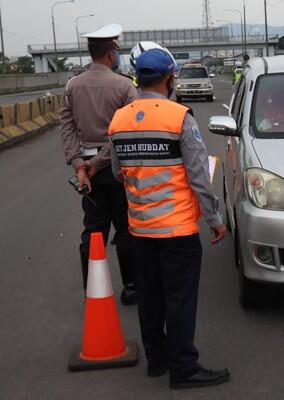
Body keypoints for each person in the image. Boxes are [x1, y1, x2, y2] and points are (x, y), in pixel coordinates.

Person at [108, 48, 230, 389]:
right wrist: (215, 219)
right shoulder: (179, 118)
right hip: (177, 230)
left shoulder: (118, 120)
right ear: (169, 78)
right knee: (179, 299)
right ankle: (183, 367)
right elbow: (198, 178)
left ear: (137, 78)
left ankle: (156, 360)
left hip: (140, 229)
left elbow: (118, 173)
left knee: (150, 297)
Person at [59, 23, 138, 305]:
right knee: (127, 230)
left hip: (88, 174)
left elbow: (66, 128)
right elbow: (127, 133)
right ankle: (131, 287)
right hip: (119, 171)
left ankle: (92, 288)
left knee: (93, 231)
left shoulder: (72, 85)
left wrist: (81, 165)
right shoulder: (125, 86)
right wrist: (101, 162)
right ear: (111, 54)